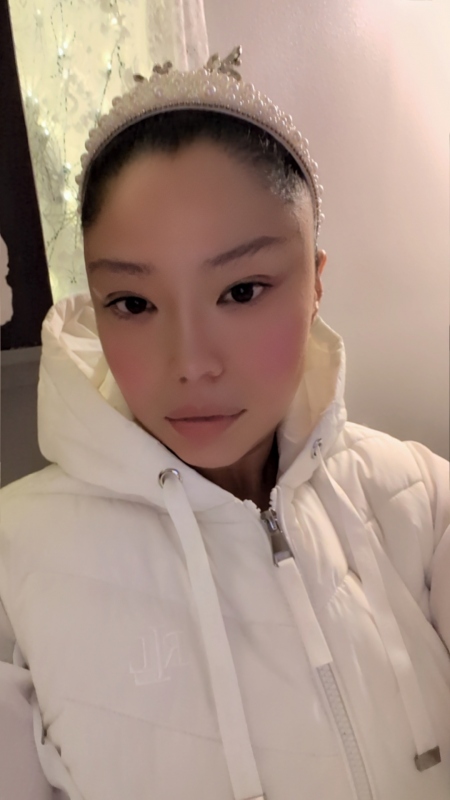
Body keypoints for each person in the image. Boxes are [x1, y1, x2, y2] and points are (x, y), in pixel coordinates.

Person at [0, 45, 449, 800]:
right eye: (133, 303)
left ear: (315, 283)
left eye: (241, 291)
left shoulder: (421, 499)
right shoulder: (12, 562)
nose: (191, 363)